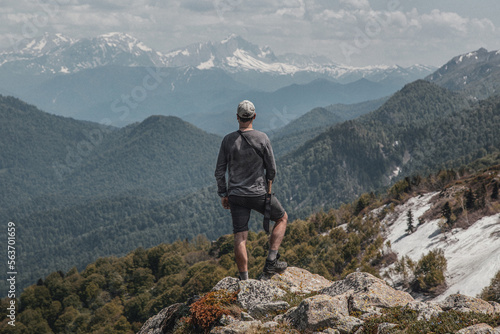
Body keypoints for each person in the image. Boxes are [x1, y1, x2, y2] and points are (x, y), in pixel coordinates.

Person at [215, 100, 288, 280]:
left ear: (237, 117)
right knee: (281, 218)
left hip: (236, 195)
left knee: (240, 236)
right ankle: (271, 261)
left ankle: (244, 280)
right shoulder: (262, 138)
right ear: (254, 116)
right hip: (258, 193)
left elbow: (219, 171)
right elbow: (272, 169)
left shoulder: (228, 140)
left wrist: (224, 194)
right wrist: (268, 182)